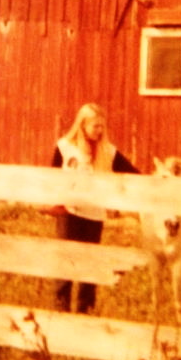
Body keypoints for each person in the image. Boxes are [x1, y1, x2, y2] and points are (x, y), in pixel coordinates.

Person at [50, 102, 139, 313]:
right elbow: (51, 176)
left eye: (102, 126)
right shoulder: (64, 147)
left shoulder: (108, 151)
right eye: (95, 126)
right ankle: (60, 310)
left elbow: (133, 173)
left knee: (90, 262)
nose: (99, 131)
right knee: (66, 260)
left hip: (94, 214)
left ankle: (85, 310)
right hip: (69, 212)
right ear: (82, 125)